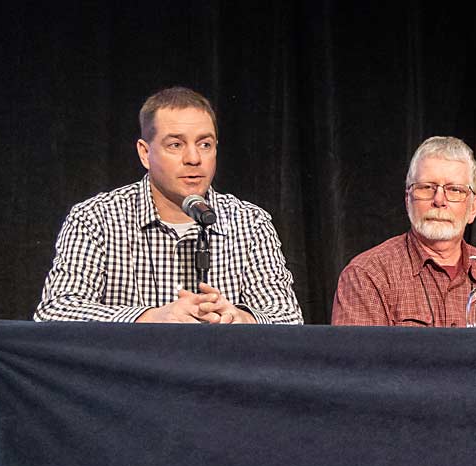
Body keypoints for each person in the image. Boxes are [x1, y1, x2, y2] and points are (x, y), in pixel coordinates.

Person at [35, 87, 302, 324]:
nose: (194, 158)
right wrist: (150, 317)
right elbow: (54, 311)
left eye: (205, 144)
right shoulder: (96, 218)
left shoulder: (250, 222)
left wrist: (241, 318)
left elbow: (289, 316)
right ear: (144, 153)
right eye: (175, 144)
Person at [332, 136, 476, 326]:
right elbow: (357, 358)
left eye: (455, 190)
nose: (439, 200)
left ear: (473, 207)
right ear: (408, 200)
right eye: (426, 187)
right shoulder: (367, 276)